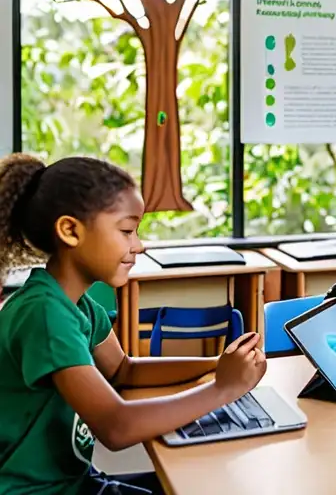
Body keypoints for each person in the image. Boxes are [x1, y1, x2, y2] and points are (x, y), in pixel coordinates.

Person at [0, 154, 266, 495]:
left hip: (75, 482)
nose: (138, 245)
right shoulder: (44, 314)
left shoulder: (76, 305)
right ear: (70, 230)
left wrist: (217, 366)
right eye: (126, 230)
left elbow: (123, 370)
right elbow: (115, 426)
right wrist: (223, 389)